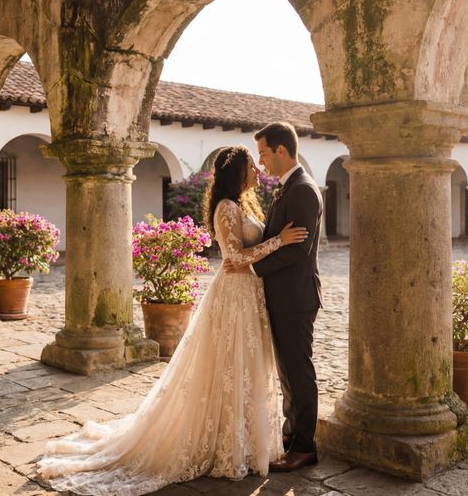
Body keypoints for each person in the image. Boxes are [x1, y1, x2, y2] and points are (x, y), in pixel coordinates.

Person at [36, 145, 307, 496]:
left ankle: (245, 439)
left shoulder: (243, 204)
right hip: (233, 296)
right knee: (227, 366)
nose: (258, 171)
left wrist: (272, 242)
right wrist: (279, 242)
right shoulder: (225, 208)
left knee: (245, 367)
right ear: (237, 173)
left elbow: (244, 253)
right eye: (252, 167)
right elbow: (236, 258)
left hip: (249, 295)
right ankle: (223, 443)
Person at [224, 121, 323, 473]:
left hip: (296, 298)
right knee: (286, 373)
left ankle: (305, 446)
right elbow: (280, 241)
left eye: (264, 154)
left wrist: (251, 270)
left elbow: (298, 252)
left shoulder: (303, 190)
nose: (261, 162)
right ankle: (291, 435)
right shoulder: (286, 188)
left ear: (281, 150)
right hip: (282, 296)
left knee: (299, 373)